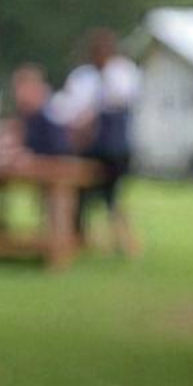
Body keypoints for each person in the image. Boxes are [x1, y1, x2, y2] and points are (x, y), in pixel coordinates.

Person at [57, 29, 141, 258]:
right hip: (87, 147)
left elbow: (121, 97)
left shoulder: (123, 72)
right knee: (80, 196)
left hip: (114, 148)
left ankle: (123, 241)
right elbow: (72, 107)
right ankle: (79, 238)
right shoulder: (82, 77)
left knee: (112, 198)